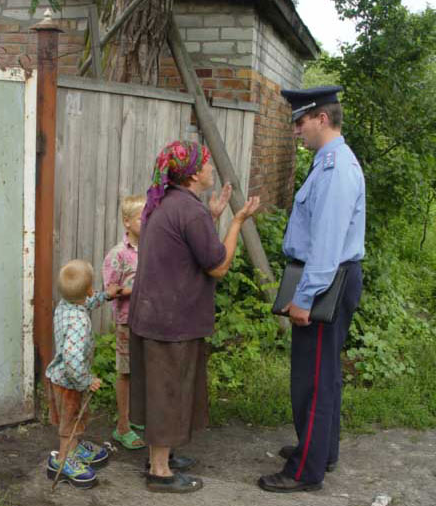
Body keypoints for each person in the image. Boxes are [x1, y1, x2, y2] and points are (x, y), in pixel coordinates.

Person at [128, 140, 260, 493]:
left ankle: (160, 458)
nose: (210, 168)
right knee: (168, 392)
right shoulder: (188, 210)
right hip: (171, 320)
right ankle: (160, 472)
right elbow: (217, 265)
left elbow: (186, 246)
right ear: (191, 175)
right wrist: (237, 221)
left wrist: (212, 217)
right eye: (206, 163)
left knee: (160, 389)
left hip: (153, 314)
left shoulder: (162, 201)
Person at [258, 86, 366, 493]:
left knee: (314, 380)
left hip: (325, 281)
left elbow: (327, 242)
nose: (295, 130)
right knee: (325, 374)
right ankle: (321, 451)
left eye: (300, 121)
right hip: (328, 278)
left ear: (322, 118)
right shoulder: (328, 163)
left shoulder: (335, 169)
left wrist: (304, 297)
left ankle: (305, 470)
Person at [46, 259, 120, 489]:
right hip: (70, 383)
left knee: (72, 421)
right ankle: (62, 462)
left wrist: (106, 296)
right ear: (88, 289)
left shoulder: (66, 305)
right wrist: (86, 380)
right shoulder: (78, 321)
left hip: (61, 378)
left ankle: (74, 449)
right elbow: (72, 358)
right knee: (69, 426)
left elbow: (86, 303)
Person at [103, 195, 146, 450]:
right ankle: (122, 427)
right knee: (126, 373)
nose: (147, 221)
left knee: (144, 371)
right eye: (142, 217)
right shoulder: (118, 255)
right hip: (127, 322)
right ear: (127, 222)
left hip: (150, 320)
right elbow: (110, 291)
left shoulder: (152, 249)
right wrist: (136, 288)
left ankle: (136, 418)